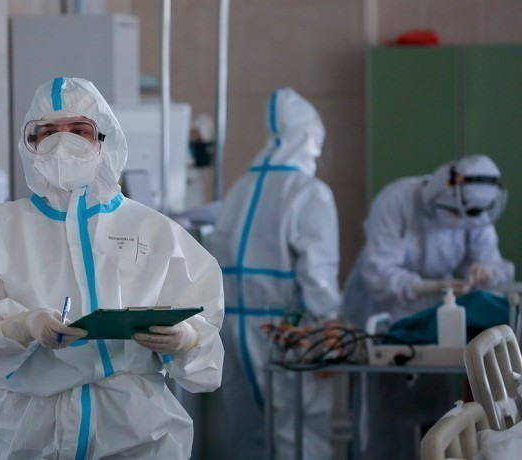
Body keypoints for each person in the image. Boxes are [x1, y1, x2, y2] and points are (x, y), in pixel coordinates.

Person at [0, 77, 224, 460]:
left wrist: (186, 340)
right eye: (49, 132)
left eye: (78, 130)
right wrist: (20, 327)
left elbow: (205, 362)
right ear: (31, 143)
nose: (62, 143)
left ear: (102, 140)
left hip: (136, 435)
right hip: (28, 438)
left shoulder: (154, 232)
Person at [342, 154, 514, 460]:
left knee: (435, 415)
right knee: (384, 421)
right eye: (457, 216)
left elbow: (494, 263)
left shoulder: (475, 211)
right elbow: (378, 275)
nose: (462, 223)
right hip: (384, 316)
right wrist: (429, 286)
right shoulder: (398, 200)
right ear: (444, 192)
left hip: (435, 321)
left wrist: (486, 272)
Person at [207, 87, 341, 459]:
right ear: (309, 135)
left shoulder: (240, 189)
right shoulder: (309, 192)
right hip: (290, 331)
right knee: (300, 434)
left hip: (234, 331)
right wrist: (329, 326)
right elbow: (317, 272)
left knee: (246, 436)